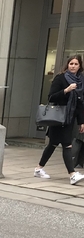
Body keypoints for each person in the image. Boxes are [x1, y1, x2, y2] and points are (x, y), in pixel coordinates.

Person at [34, 55, 84, 185]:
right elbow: (51, 97)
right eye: (71, 63)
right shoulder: (60, 78)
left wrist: (81, 121)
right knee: (67, 145)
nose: (73, 66)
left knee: (53, 144)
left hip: (69, 118)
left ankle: (39, 169)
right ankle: (72, 174)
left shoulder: (81, 81)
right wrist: (66, 90)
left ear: (80, 66)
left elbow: (80, 104)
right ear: (67, 65)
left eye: (76, 64)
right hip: (58, 117)